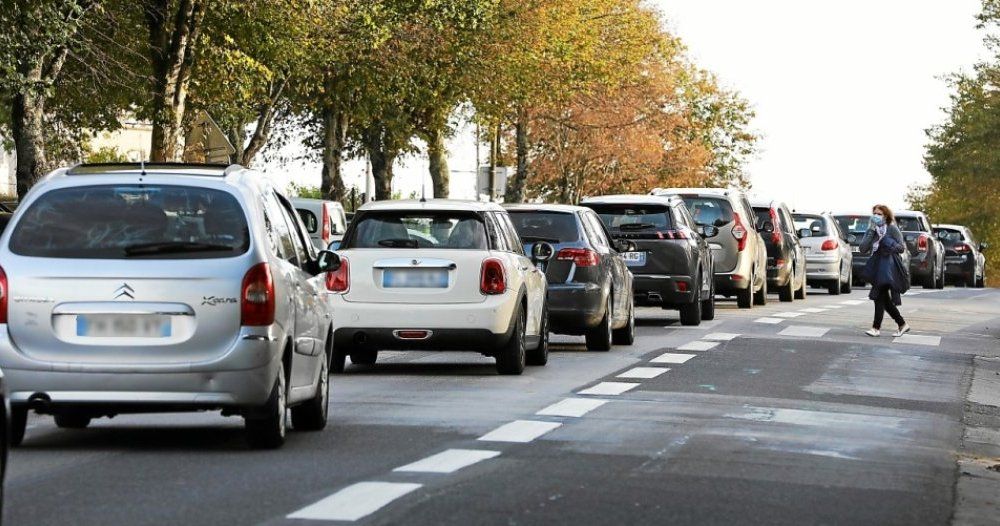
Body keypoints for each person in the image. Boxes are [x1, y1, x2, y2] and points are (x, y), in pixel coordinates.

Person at [859, 204, 911, 337]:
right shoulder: (872, 230)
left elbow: (901, 248)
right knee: (883, 299)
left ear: (886, 216)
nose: (876, 216)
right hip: (876, 267)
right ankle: (902, 324)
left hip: (888, 267)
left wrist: (888, 245)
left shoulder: (892, 229)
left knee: (879, 294)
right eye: (874, 214)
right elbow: (863, 248)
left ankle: (876, 328)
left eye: (879, 214)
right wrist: (870, 230)